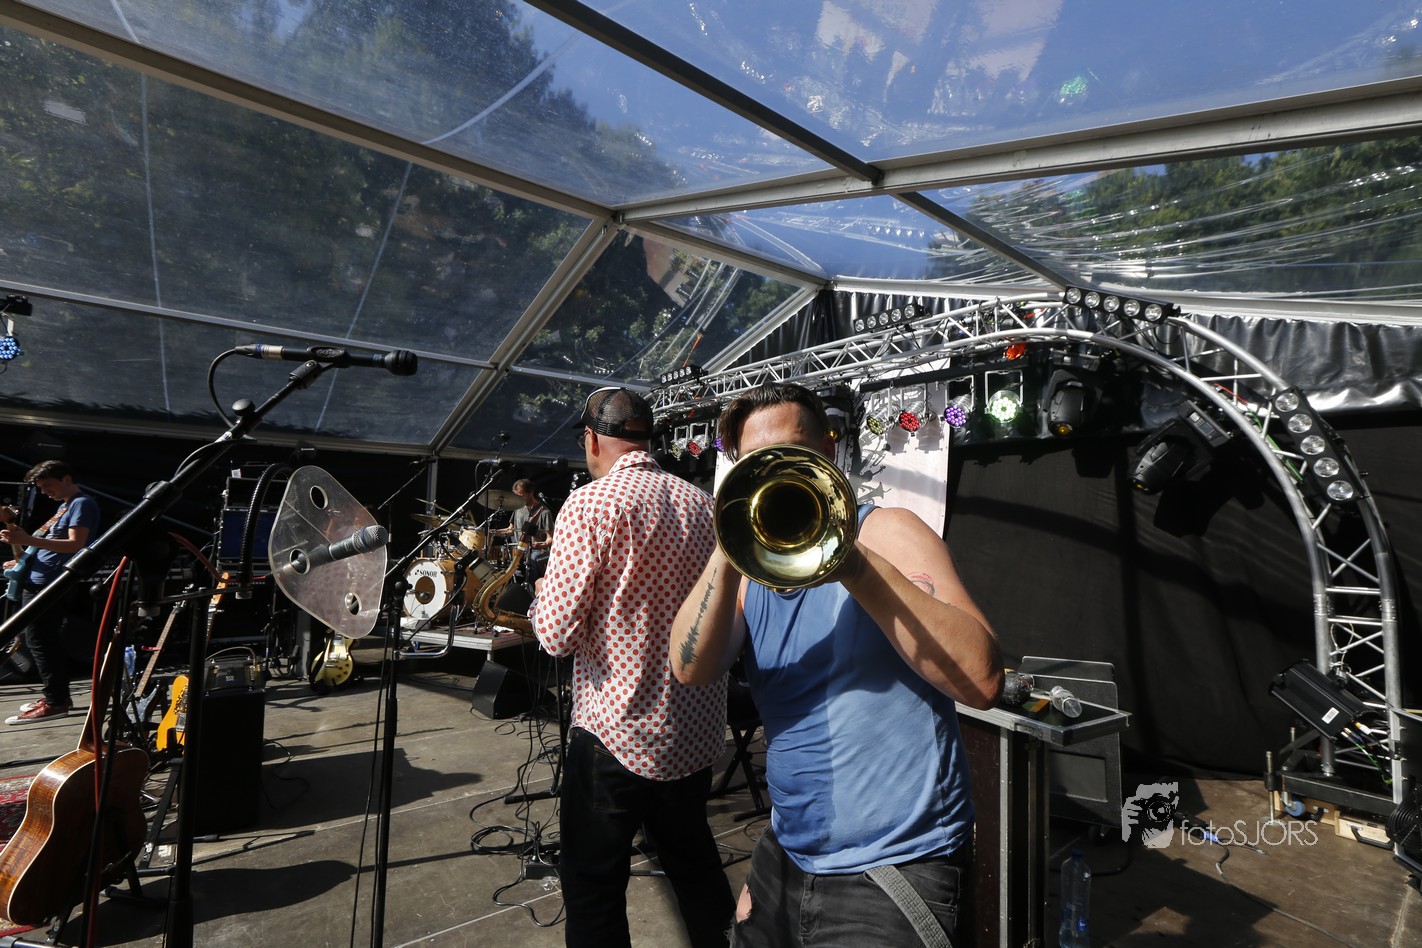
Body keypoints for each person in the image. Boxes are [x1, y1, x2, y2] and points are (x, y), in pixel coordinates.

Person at [669, 383, 1003, 947]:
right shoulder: (750, 574)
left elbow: (983, 680)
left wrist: (849, 560)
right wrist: (727, 544)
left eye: (792, 454)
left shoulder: (889, 532)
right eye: (756, 464)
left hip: (892, 867)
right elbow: (689, 668)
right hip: (788, 852)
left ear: (828, 451)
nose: (776, 474)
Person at [530, 387, 733, 948]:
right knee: (696, 868)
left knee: (593, 888)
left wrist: (544, 596)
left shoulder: (589, 505)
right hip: (693, 731)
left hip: (615, 735)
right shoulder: (702, 504)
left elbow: (556, 637)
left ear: (591, 440)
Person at [2, 460, 102, 725]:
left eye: (48, 485)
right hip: (40, 579)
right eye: (40, 487)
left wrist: (27, 540)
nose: (44, 491)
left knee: (41, 641)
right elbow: (52, 546)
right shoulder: (65, 506)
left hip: (50, 583)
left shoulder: (82, 504)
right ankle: (56, 696)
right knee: (40, 640)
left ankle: (56, 701)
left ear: (67, 479)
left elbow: (75, 545)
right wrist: (24, 560)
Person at [494, 478, 554, 582]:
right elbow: (511, 530)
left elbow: (551, 539)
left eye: (521, 495)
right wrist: (494, 532)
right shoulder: (518, 509)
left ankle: (534, 587)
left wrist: (541, 545)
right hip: (519, 549)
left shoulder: (544, 512)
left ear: (531, 493)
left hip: (537, 550)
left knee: (534, 557)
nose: (518, 498)